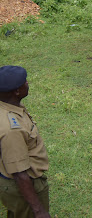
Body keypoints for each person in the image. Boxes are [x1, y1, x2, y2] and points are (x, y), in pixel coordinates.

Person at [0, 66, 51, 218]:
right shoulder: (12, 130)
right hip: (24, 185)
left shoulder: (8, 106)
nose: (27, 83)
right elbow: (19, 173)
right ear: (16, 91)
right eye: (25, 82)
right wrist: (39, 210)